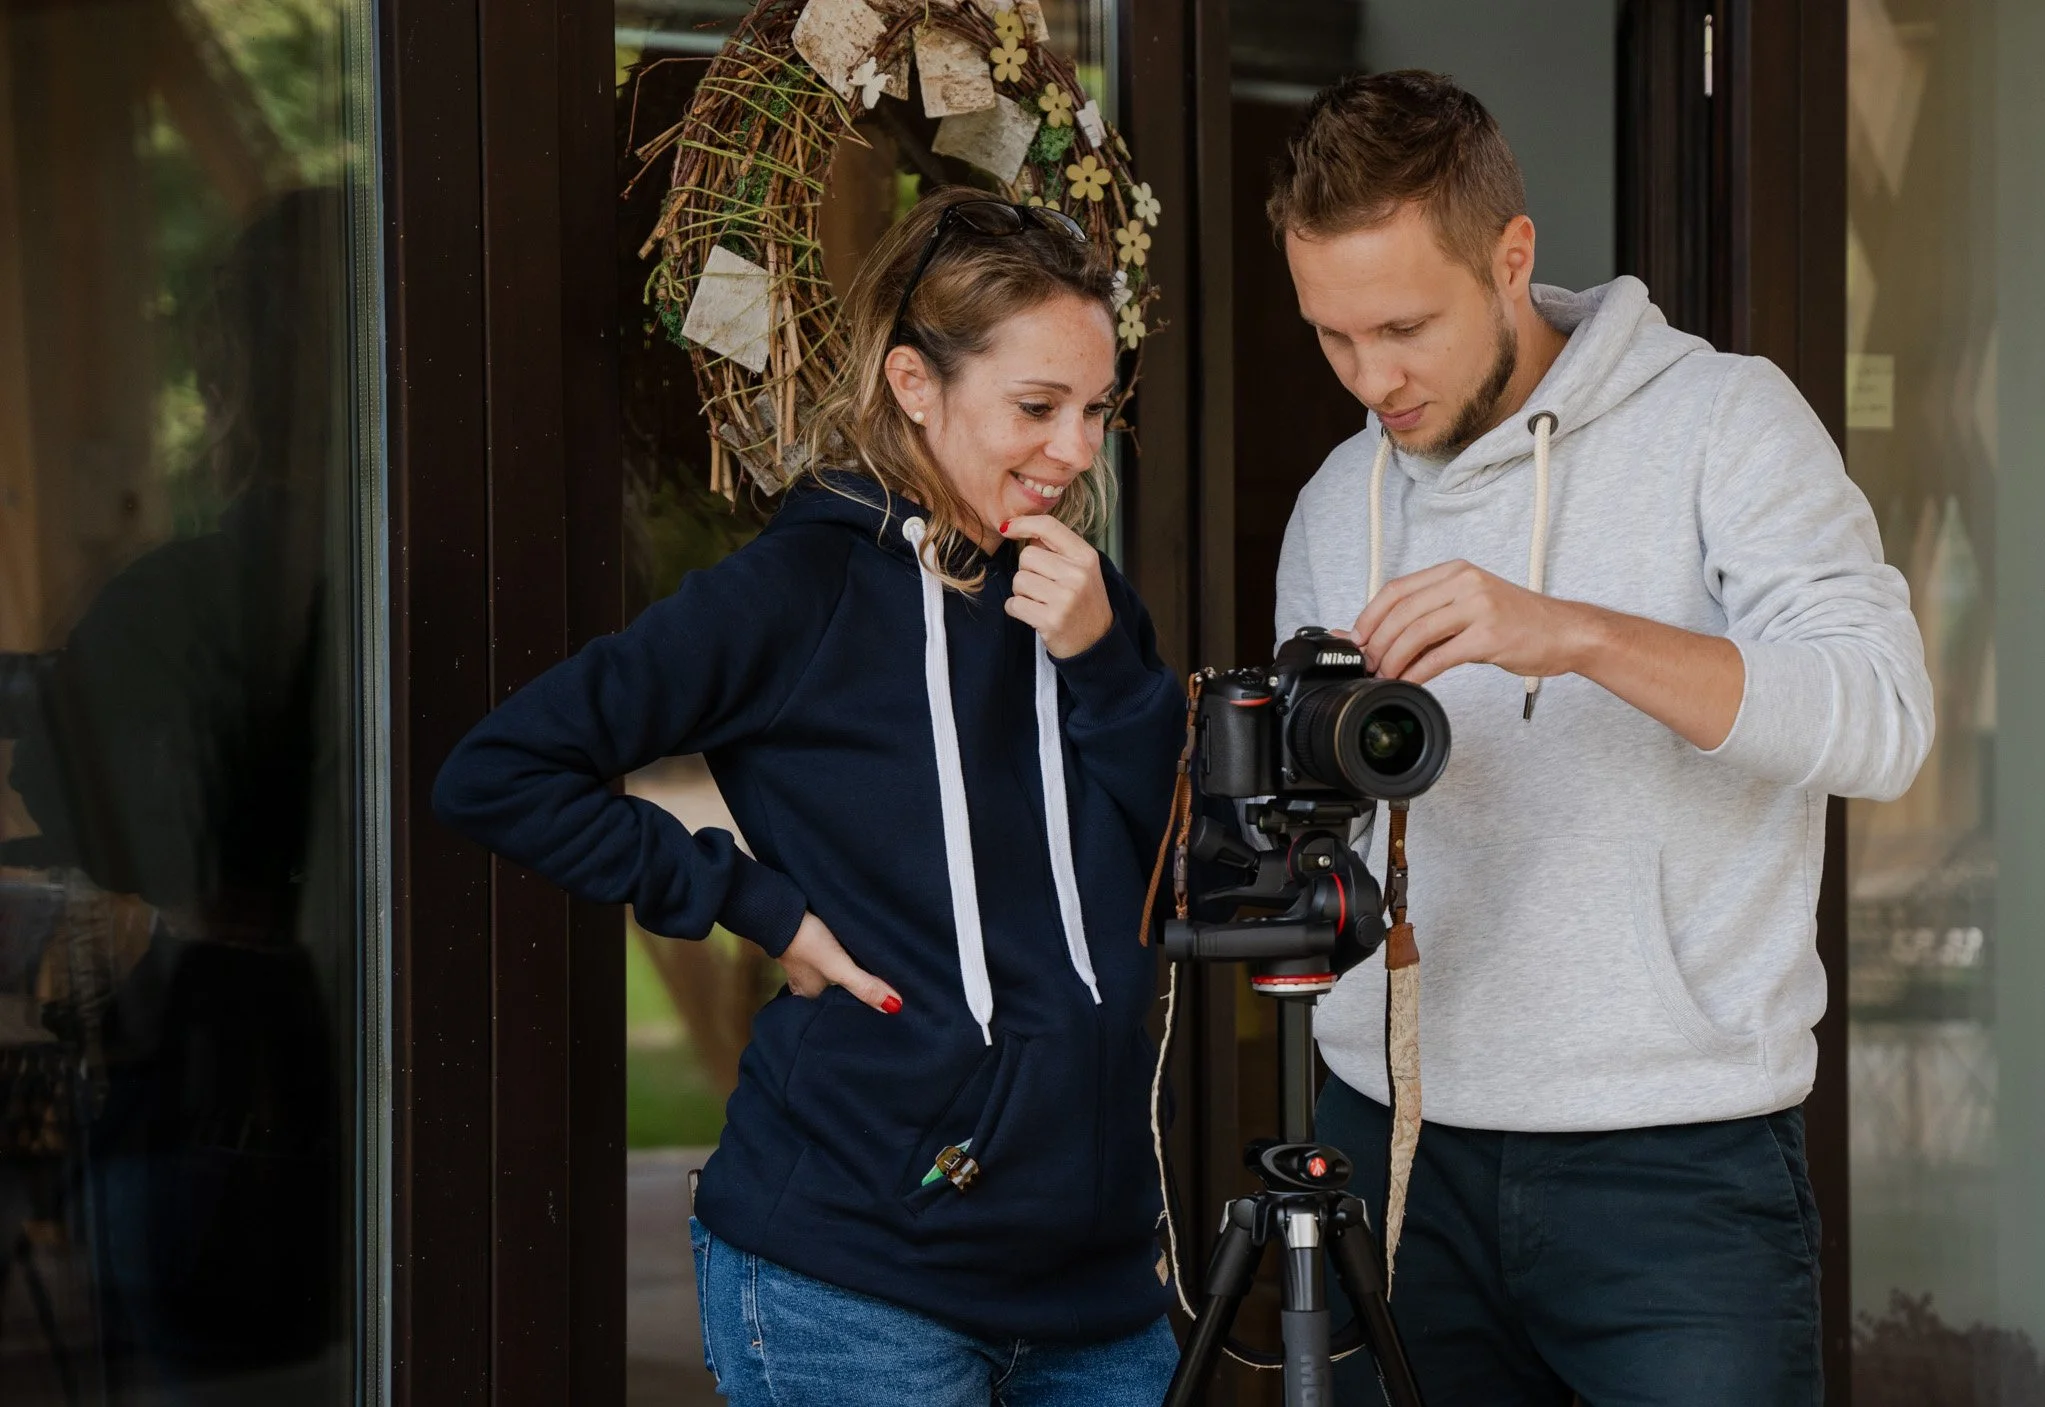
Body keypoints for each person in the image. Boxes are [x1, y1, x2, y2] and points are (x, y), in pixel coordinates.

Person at [432, 189, 1185, 1406]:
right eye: (1038, 408)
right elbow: (500, 771)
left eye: (1098, 410)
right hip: (853, 1283)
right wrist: (753, 903)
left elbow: (1179, 868)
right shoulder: (799, 593)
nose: (1077, 450)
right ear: (913, 382)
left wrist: (1105, 664)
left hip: (1097, 1293)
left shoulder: (1082, 599)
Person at [1266, 73, 1936, 1405]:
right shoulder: (1341, 496)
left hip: (1671, 1165)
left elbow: (1884, 719)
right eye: (1332, 336)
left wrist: (1571, 633)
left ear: (1513, 258)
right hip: (1391, 1139)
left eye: (1403, 326)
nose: (1369, 378)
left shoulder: (1724, 424)